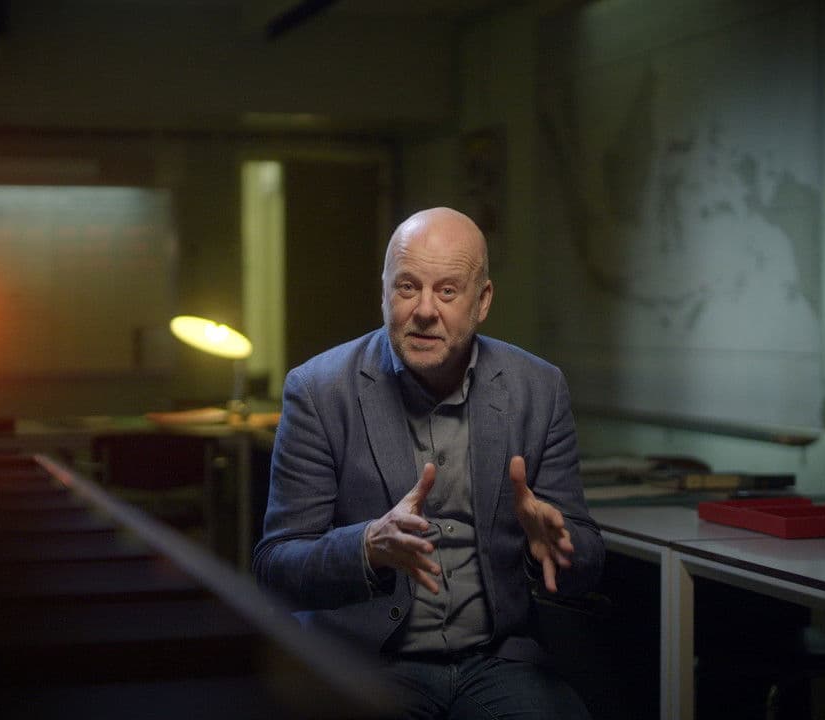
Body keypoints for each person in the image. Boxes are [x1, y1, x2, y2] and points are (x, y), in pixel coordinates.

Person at [252, 207, 604, 719]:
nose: (423, 310)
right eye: (407, 286)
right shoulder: (318, 390)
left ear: (482, 301)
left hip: (497, 662)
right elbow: (275, 567)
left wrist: (554, 547)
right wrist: (367, 547)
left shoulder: (538, 388)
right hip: (367, 661)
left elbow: (588, 560)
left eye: (447, 291)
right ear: (384, 293)